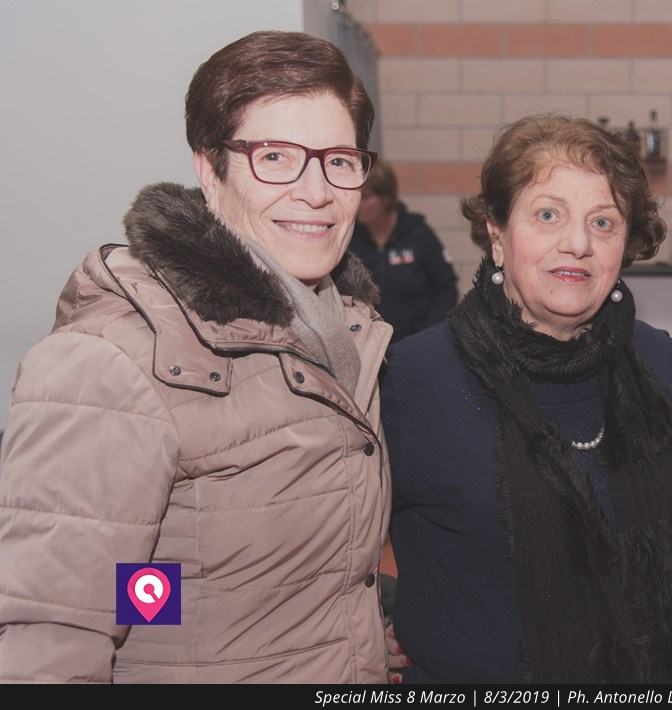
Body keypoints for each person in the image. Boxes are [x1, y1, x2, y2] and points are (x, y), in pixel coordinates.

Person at [0, 31, 392, 683]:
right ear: (211, 170)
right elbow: (50, 643)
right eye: (275, 157)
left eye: (339, 160)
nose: (316, 191)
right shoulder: (114, 363)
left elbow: (224, 589)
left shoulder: (347, 336)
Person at [380, 115, 672, 683]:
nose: (577, 244)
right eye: (548, 215)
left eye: (603, 222)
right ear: (497, 233)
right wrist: (367, 621)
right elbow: (314, 534)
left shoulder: (653, 361)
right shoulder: (413, 379)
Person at [346, 160, 458, 341]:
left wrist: (429, 335)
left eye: (366, 197)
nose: (359, 204)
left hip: (417, 342)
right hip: (370, 343)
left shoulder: (417, 233)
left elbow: (446, 289)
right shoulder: (351, 239)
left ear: (386, 198)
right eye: (356, 196)